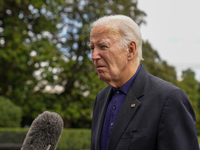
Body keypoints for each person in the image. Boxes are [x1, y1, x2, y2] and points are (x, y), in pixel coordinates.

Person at [89, 15, 199, 150]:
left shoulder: (169, 99)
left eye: (103, 46)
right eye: (92, 48)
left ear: (130, 50)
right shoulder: (101, 98)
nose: (94, 55)